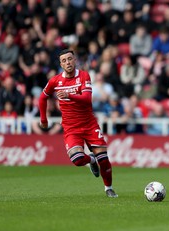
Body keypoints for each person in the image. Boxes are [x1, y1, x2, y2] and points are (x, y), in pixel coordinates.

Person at [38, 49, 118, 198]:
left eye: (70, 59)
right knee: (78, 159)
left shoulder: (83, 76)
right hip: (71, 127)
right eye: (64, 60)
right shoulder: (55, 81)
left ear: (75, 60)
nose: (68, 62)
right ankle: (91, 160)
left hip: (89, 124)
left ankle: (109, 188)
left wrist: (69, 95)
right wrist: (43, 119)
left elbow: (87, 99)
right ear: (61, 64)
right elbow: (42, 98)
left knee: (104, 160)